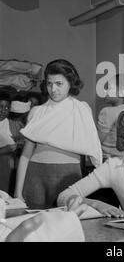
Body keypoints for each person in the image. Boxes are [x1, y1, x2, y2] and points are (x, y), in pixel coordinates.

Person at [14, 59, 102, 209]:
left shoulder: (81, 110)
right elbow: (25, 155)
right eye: (49, 83)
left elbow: (92, 149)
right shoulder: (37, 112)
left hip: (68, 176)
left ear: (70, 83)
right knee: (36, 227)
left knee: (66, 225)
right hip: (35, 176)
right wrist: (17, 192)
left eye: (59, 84)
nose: (53, 89)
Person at [97, 74, 124, 160]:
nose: (104, 91)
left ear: (122, 91)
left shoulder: (107, 112)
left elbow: (97, 141)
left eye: (108, 87)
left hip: (110, 162)